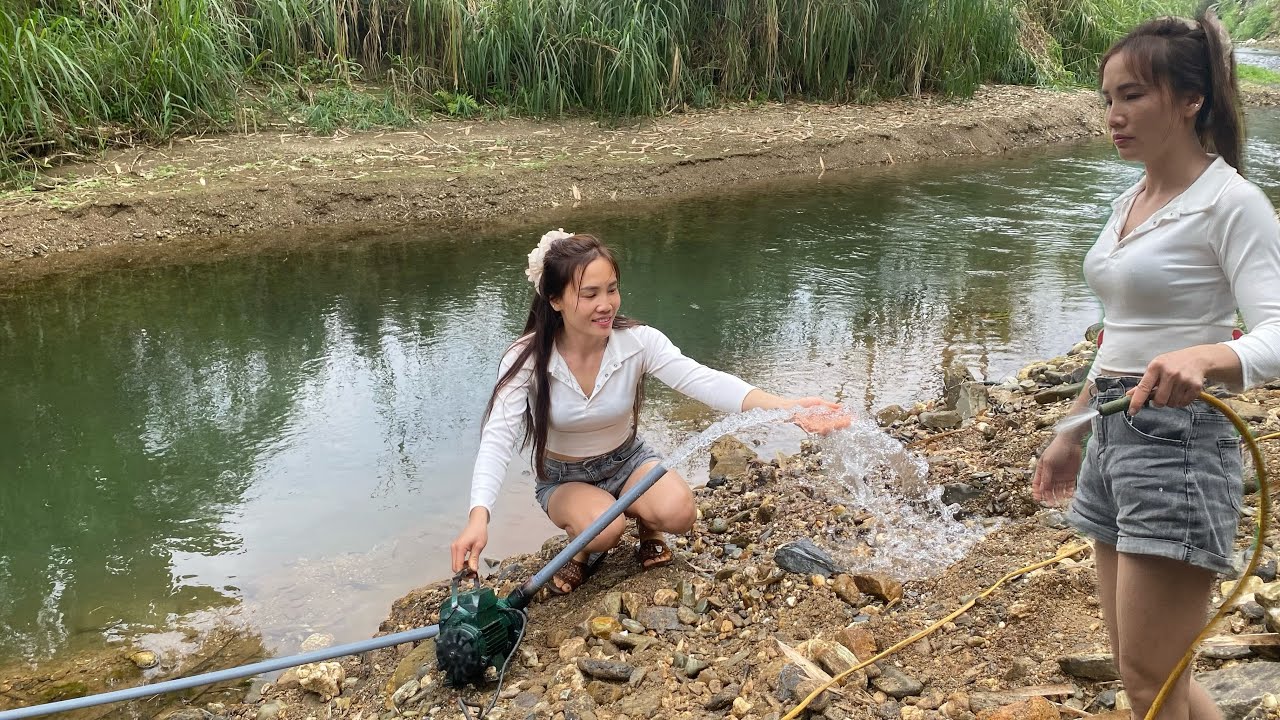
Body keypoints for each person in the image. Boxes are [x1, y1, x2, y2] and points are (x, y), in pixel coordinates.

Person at [1033, 11, 1280, 720]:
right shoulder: (1130, 200)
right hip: (1114, 435)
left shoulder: (1233, 204)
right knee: (1144, 675)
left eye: (1133, 95)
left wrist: (1207, 355)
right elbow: (1121, 333)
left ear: (1190, 99)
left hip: (1178, 444)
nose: (1114, 115)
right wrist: (1070, 431)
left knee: (1151, 679)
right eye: (1107, 98)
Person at [450, 230, 849, 594]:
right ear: (554, 300)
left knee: (681, 512)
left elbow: (705, 381)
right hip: (563, 477)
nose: (605, 305)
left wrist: (787, 408)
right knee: (604, 529)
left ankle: (648, 524)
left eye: (611, 289)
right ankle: (582, 549)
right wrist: (479, 516)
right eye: (589, 294)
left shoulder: (638, 343)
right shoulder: (524, 358)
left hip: (628, 461)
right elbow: (497, 439)